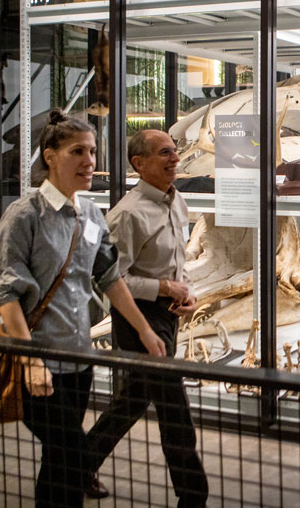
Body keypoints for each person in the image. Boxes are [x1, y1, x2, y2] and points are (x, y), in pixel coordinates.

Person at [0, 109, 166, 508]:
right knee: (73, 453)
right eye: (78, 152)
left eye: (92, 151)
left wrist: (143, 330)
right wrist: (31, 361)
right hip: (37, 361)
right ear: (49, 156)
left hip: (79, 360)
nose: (90, 162)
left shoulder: (90, 215)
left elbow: (109, 278)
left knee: (59, 460)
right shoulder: (24, 216)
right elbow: (7, 296)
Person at [87, 129, 209, 507]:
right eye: (164, 153)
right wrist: (162, 289)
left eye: (175, 152)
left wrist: (183, 292)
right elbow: (112, 279)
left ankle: (76, 466)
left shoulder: (178, 202)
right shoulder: (126, 214)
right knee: (173, 406)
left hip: (167, 314)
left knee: (133, 401)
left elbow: (179, 261)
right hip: (136, 318)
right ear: (138, 164)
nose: (175, 159)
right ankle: (193, 495)